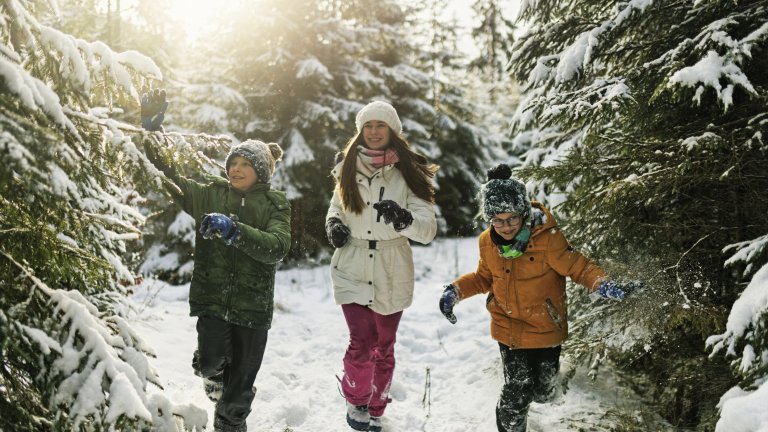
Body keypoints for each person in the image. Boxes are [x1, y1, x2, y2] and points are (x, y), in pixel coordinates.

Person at [438, 163, 634, 432]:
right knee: (517, 389)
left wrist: (603, 284)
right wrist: (455, 291)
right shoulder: (487, 242)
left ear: (523, 213)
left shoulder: (547, 239)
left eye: (511, 219)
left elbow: (579, 267)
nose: (505, 227)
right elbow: (483, 278)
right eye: (497, 220)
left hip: (545, 326)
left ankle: (554, 380)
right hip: (508, 327)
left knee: (543, 392)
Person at [140, 89, 291, 432]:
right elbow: (168, 177)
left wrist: (235, 231)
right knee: (210, 364)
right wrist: (152, 135)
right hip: (212, 299)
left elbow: (277, 246)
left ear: (261, 172)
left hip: (252, 308)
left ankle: (230, 424)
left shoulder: (275, 205)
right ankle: (213, 377)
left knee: (239, 391)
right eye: (233, 163)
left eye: (245, 164)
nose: (236, 169)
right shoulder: (210, 195)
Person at [325, 100, 438, 432]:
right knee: (361, 340)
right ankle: (357, 400)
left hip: (392, 266)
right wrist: (334, 225)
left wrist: (403, 219)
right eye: (368, 126)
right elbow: (336, 208)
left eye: (380, 126)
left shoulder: (409, 171)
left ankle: (376, 407)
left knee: (383, 346)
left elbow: (428, 230)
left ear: (392, 131)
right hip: (352, 263)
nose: (373, 132)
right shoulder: (347, 167)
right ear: (360, 131)